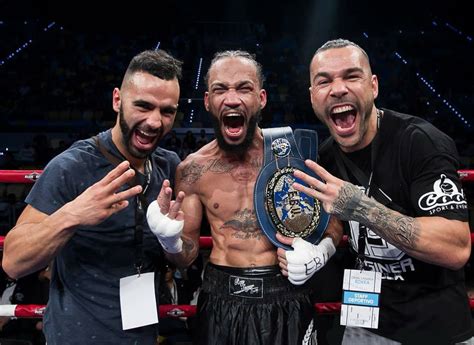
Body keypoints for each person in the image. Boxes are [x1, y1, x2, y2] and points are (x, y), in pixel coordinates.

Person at [281, 38, 474, 344]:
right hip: (364, 319)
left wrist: (360, 207)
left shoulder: (419, 142)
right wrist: (321, 251)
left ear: (373, 86)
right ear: (313, 96)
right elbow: (335, 220)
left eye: (351, 76)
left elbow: (456, 247)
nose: (338, 88)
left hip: (434, 327)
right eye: (324, 81)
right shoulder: (327, 155)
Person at [147, 50, 342, 345]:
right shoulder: (193, 170)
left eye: (244, 88)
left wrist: (321, 253)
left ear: (261, 99)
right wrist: (170, 240)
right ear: (208, 102)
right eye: (220, 89)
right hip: (221, 301)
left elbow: (333, 226)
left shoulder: (295, 155)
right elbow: (185, 257)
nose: (232, 98)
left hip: (288, 295)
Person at [2, 49, 185, 345]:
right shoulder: (72, 166)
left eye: (167, 111)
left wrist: (171, 239)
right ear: (117, 100)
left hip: (143, 336)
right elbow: (13, 261)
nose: (154, 121)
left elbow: (183, 257)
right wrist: (72, 215)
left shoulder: (168, 166)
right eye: (143, 106)